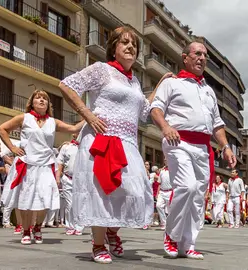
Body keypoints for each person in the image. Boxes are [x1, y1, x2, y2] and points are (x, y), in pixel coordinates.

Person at [59, 26, 170, 264]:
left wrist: (160, 85)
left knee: (131, 191)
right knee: (101, 191)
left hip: (128, 143)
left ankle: (112, 231)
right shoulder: (102, 70)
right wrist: (87, 114)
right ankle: (98, 243)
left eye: (134, 45)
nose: (130, 47)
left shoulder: (135, 82)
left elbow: (143, 112)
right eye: (125, 43)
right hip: (102, 139)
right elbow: (66, 85)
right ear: (114, 48)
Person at [150, 40, 236, 260]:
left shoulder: (208, 90)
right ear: (185, 57)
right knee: (186, 187)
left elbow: (217, 124)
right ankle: (172, 234)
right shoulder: (172, 83)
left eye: (204, 55)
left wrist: (225, 146)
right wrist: (166, 127)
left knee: (198, 196)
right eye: (197, 53)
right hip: (178, 141)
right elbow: (156, 108)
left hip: (202, 147)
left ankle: (188, 243)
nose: (202, 58)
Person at [0, 89, 84, 244]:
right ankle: (25, 231)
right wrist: (12, 148)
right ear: (32, 102)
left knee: (45, 198)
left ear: (48, 104)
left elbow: (74, 129)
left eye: (45, 98)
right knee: (26, 199)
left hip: (45, 165)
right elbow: (2, 129)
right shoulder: (24, 118)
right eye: (38, 98)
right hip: (27, 164)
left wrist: (89, 115)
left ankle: (37, 227)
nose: (42, 100)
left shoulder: (53, 122)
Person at [56, 135, 83, 235]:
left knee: (80, 203)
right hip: (67, 178)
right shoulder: (66, 147)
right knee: (70, 204)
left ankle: (79, 226)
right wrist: (58, 177)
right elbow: (60, 162)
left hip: (81, 179)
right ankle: (70, 225)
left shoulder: (86, 146)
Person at [156, 160, 172, 230]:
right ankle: (163, 223)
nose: (166, 161)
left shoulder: (173, 170)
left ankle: (170, 223)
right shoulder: (162, 171)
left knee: (169, 209)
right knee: (158, 205)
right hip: (162, 192)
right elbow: (159, 183)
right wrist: (157, 193)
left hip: (170, 192)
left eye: (167, 159)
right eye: (165, 160)